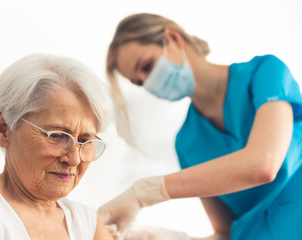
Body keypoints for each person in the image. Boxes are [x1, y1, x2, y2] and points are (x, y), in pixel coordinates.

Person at [97, 13, 302, 240]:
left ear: (173, 38)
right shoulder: (186, 143)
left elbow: (263, 164)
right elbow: (225, 233)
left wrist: (143, 192)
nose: (148, 82)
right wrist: (173, 238)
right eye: (139, 82)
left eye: (147, 66)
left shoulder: (265, 73)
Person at [0, 53, 115, 240]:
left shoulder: (87, 223)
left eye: (84, 140)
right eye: (56, 136)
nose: (73, 159)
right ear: (4, 129)